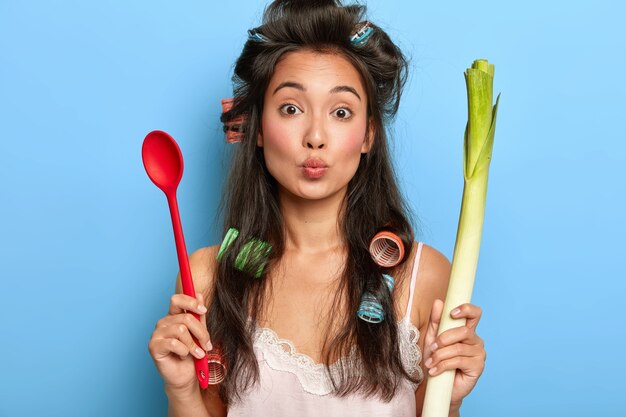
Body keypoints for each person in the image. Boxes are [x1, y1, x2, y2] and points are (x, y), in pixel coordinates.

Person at [148, 1, 486, 416]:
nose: (316, 136)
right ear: (256, 128)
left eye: (341, 112)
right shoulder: (205, 278)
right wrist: (181, 391)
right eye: (291, 108)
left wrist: (448, 398)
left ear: (368, 136)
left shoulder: (422, 275)